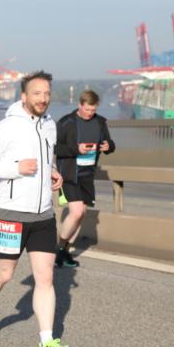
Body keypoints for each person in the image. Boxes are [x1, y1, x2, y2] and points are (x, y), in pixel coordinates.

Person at [0, 70, 70, 347]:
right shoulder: (6, 128)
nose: (43, 99)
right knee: (5, 273)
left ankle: (47, 343)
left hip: (43, 214)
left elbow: (46, 157)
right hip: (10, 213)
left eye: (47, 93)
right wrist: (15, 168)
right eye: (37, 93)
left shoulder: (50, 126)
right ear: (23, 96)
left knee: (46, 277)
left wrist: (51, 171)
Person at [54, 90, 116, 268]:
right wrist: (76, 149)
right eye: (87, 109)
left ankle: (65, 252)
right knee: (76, 212)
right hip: (69, 174)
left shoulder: (100, 122)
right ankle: (59, 248)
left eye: (93, 110)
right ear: (80, 105)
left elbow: (110, 144)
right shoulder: (67, 122)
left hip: (88, 175)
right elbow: (55, 148)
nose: (90, 113)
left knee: (82, 215)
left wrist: (108, 146)